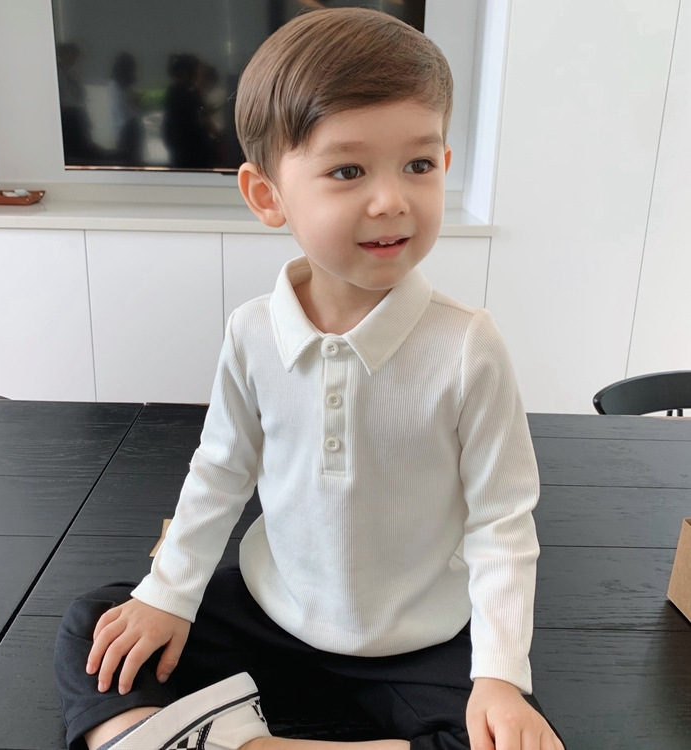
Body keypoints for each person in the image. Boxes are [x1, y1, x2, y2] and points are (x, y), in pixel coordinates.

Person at [54, 9, 566, 750]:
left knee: (517, 738)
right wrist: (168, 595)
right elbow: (220, 472)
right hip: (271, 617)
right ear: (267, 196)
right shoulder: (252, 332)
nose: (391, 199)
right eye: (348, 171)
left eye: (418, 165)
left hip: (419, 641)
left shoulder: (468, 346)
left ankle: (230, 743)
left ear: (444, 165)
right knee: (95, 624)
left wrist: (500, 677)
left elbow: (502, 522)